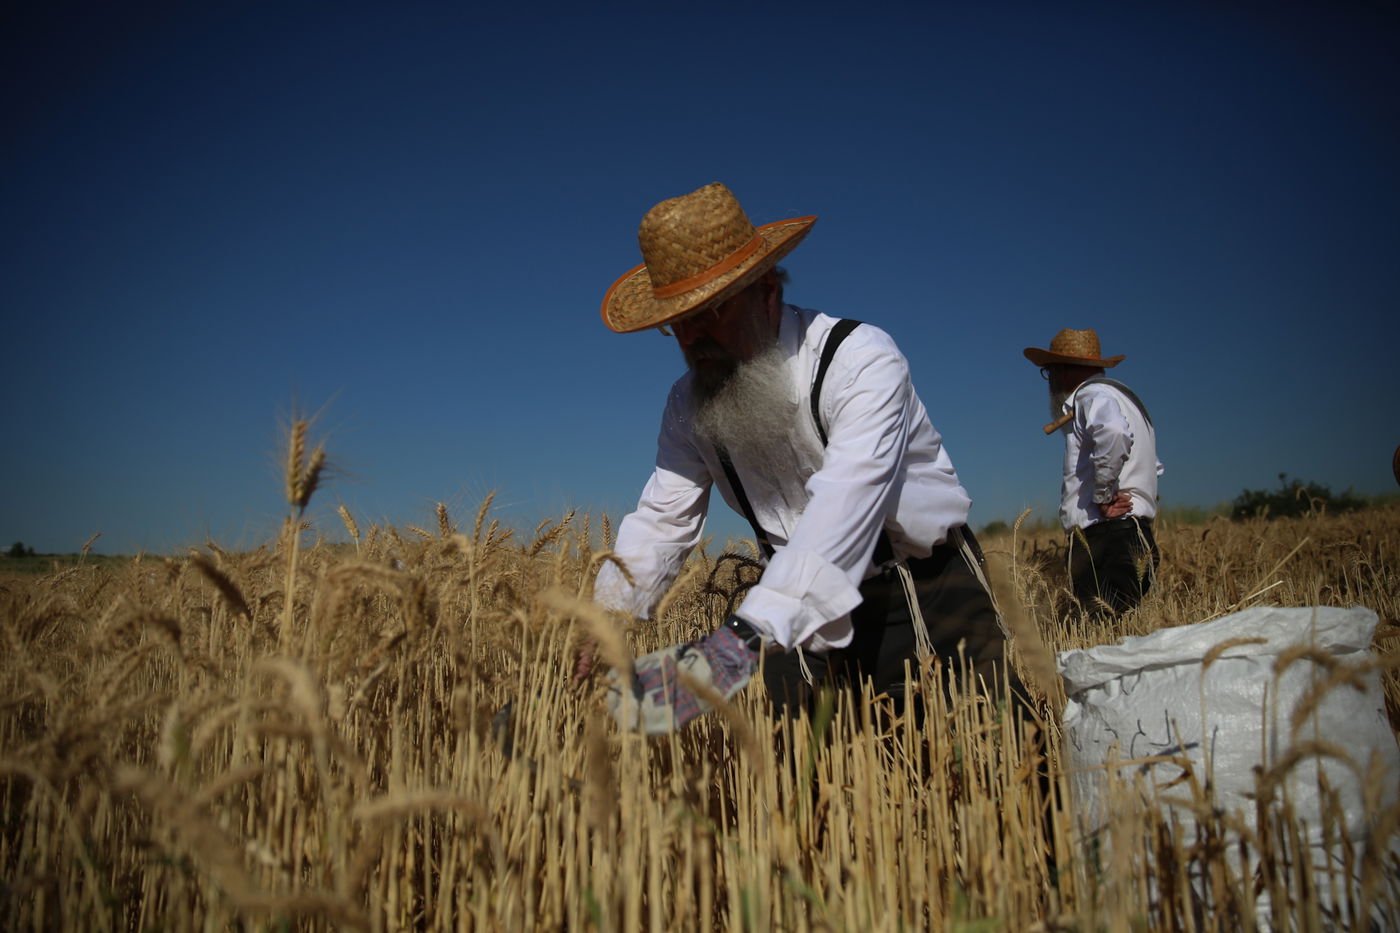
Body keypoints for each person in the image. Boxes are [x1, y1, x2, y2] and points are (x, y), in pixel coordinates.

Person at [582, 181, 1014, 735]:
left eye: (709, 311)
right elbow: (663, 519)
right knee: (811, 797)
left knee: (990, 766)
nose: (692, 337)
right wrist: (606, 618)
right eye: (678, 321)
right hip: (787, 608)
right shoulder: (686, 405)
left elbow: (843, 506)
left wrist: (735, 648)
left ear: (766, 292)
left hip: (921, 588)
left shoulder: (859, 360)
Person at [1023, 328, 1163, 617]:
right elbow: (1155, 466)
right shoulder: (1127, 401)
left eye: (1049, 373)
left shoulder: (1091, 396)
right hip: (1134, 533)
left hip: (1106, 537)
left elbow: (1112, 432)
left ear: (1060, 371)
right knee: (1121, 632)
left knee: (1102, 634)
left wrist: (1103, 495)